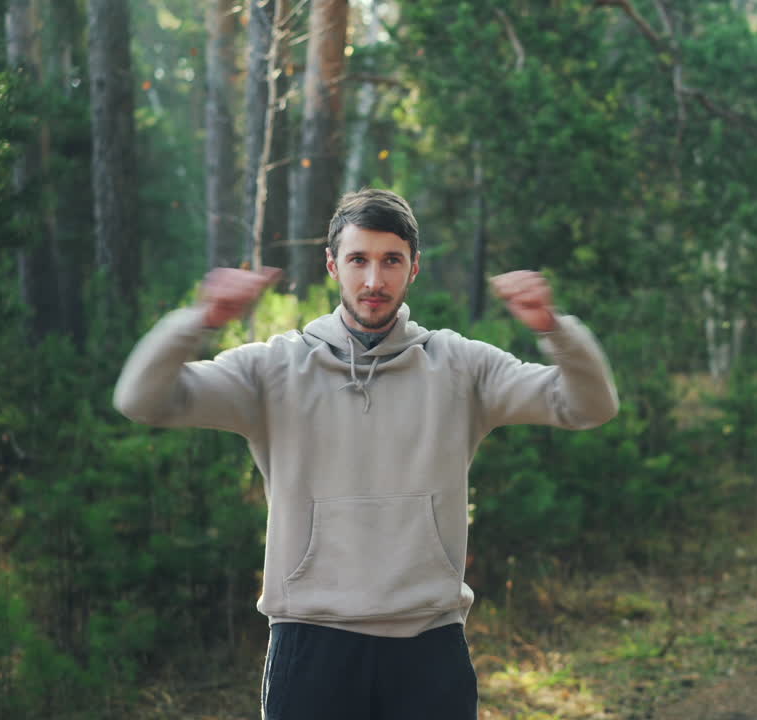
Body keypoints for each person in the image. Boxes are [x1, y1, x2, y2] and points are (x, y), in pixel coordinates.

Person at [113, 188, 620, 719]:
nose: (374, 281)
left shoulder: (462, 367)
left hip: (429, 646)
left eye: (391, 261)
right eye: (358, 260)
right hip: (310, 644)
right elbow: (142, 400)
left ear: (414, 269)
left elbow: (588, 406)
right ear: (333, 264)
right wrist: (201, 320)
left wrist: (552, 329)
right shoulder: (272, 370)